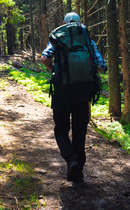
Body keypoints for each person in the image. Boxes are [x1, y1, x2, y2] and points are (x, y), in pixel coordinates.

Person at [41, 12, 106, 183]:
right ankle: (79, 170)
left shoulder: (58, 38)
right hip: (84, 92)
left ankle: (71, 160)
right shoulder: (88, 41)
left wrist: (56, 71)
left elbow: (44, 57)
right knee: (80, 131)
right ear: (80, 25)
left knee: (61, 129)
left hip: (63, 91)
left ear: (64, 23)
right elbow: (101, 65)